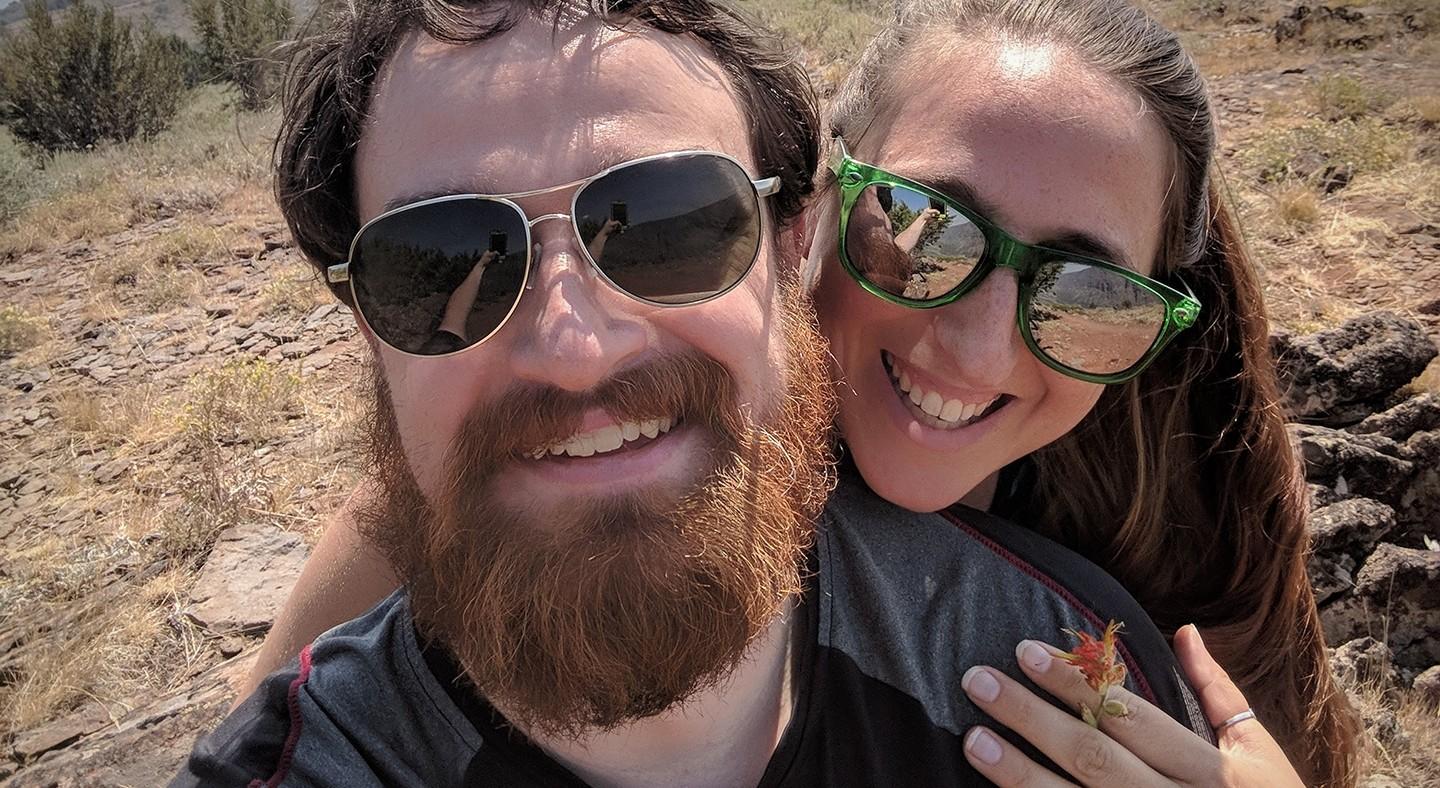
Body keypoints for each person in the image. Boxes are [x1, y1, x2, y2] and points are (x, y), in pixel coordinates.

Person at [174, 0, 1214, 785]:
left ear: (785, 237)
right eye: (441, 263)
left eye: (670, 225)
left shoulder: (1070, 661)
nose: (574, 351)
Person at [813, 1, 1359, 785]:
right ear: (819, 189)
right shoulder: (662, 476)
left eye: (1087, 292)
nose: (979, 352)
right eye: (922, 227)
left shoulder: (1171, 569)